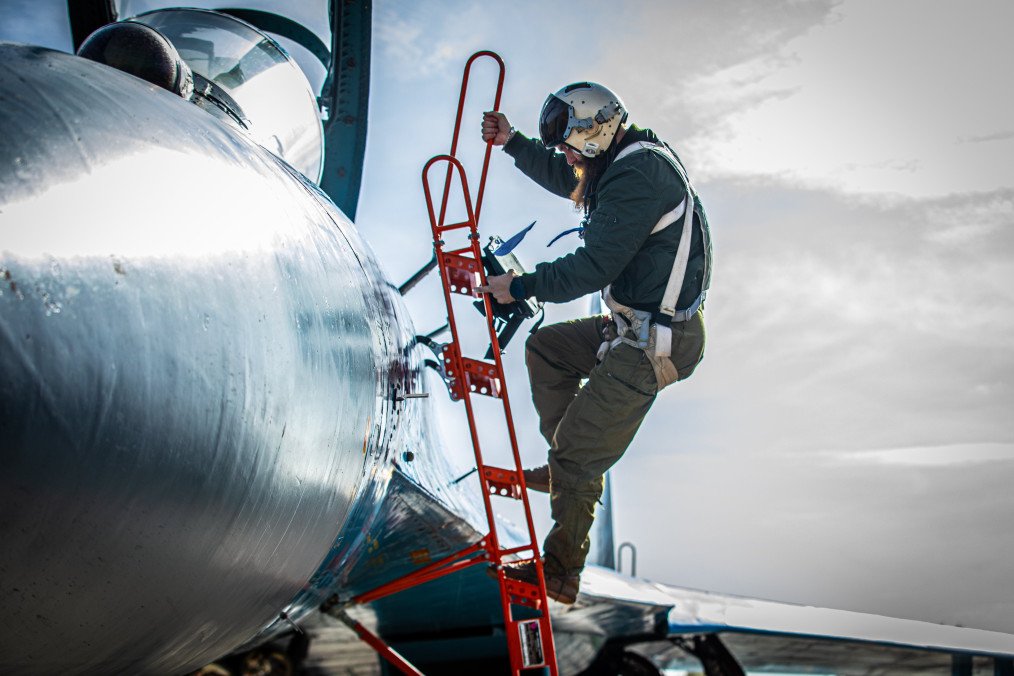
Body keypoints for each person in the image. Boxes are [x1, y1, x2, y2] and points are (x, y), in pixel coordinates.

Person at [476, 82, 712, 604]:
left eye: (568, 145)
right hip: (632, 326)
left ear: (592, 132)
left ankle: (561, 572)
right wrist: (513, 142)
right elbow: (568, 177)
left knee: (579, 457)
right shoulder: (617, 163)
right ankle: (567, 468)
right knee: (548, 351)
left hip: (656, 343)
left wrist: (520, 286)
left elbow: (593, 267)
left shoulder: (637, 174)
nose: (566, 156)